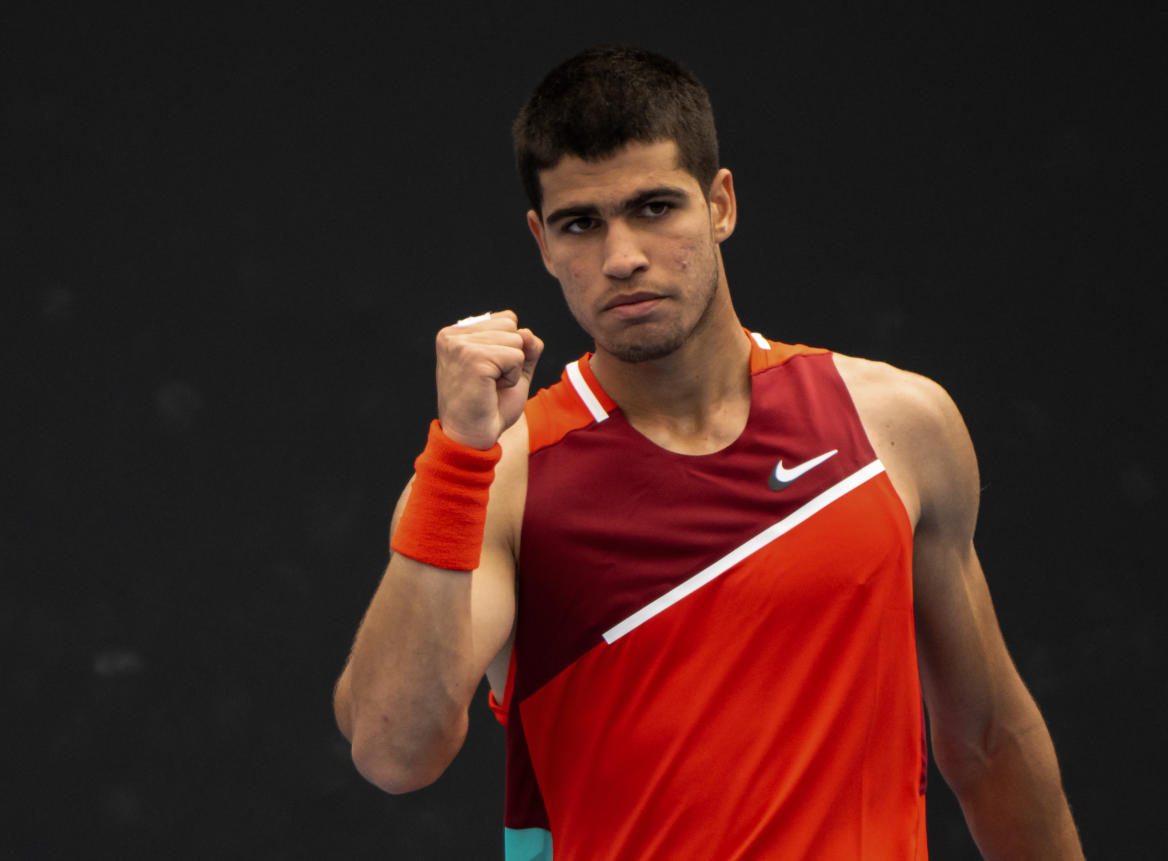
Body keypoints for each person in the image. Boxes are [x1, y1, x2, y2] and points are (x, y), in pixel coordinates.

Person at [333, 45, 1083, 859]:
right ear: (542, 243)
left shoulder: (895, 426)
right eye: (581, 224)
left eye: (655, 207)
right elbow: (391, 751)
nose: (622, 257)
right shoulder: (498, 477)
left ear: (720, 203)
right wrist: (459, 456)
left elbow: (988, 741)